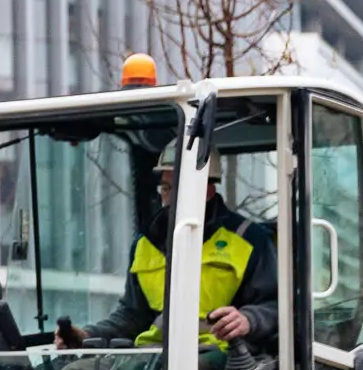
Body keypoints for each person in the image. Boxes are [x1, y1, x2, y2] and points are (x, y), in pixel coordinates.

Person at [56, 144, 276, 353]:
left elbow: (274, 306)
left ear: (208, 189)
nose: (169, 196)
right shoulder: (145, 243)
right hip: (154, 354)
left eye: (178, 187)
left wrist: (248, 319)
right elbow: (133, 316)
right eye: (165, 188)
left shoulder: (249, 238)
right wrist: (87, 335)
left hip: (221, 353)